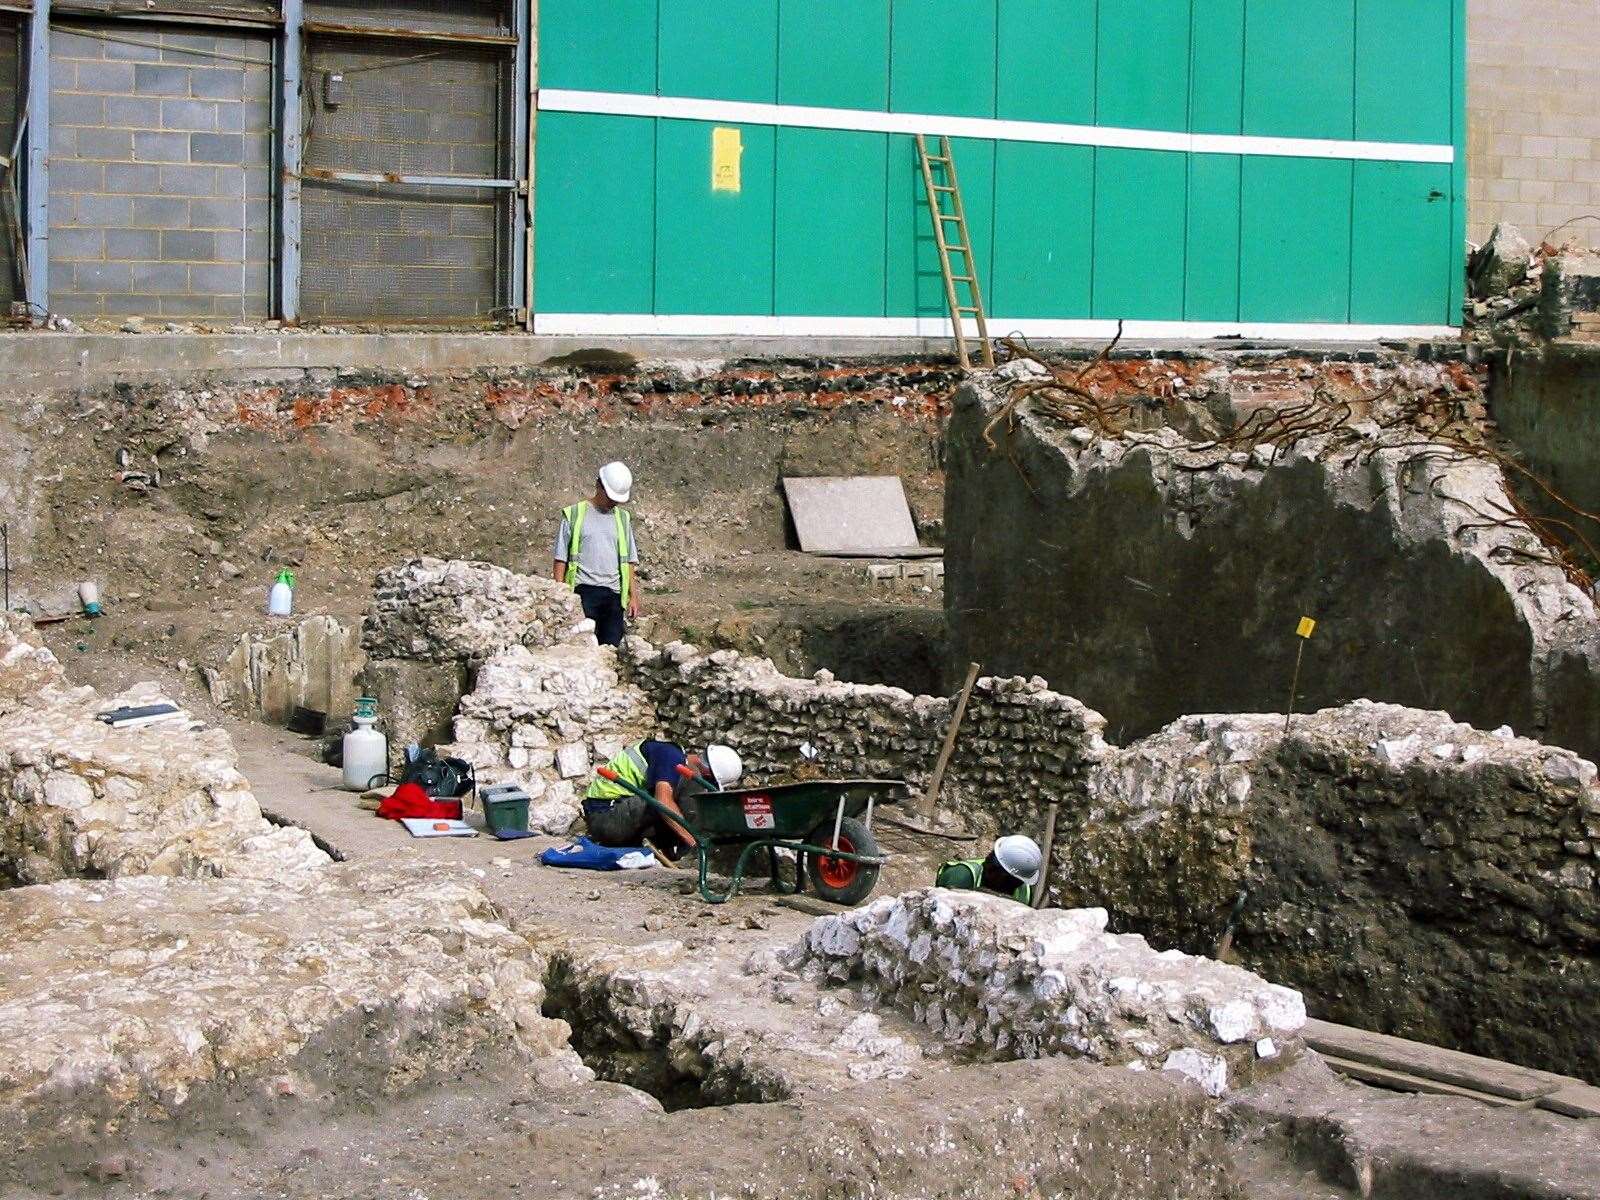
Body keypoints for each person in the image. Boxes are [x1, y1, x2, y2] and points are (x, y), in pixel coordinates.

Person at [584, 739, 743, 852]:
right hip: (607, 817)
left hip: (613, 819)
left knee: (676, 802)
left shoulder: (671, 755)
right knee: (688, 784)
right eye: (710, 781)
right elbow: (663, 801)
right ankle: (695, 848)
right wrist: (694, 842)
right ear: (707, 771)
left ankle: (680, 849)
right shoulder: (671, 755)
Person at [554, 462, 638, 647]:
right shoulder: (575, 514)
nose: (614, 502)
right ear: (599, 485)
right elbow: (561, 558)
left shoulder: (622, 519)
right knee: (581, 648)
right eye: (611, 497)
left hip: (614, 596)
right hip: (583, 592)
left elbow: (629, 560)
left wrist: (633, 596)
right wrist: (559, 595)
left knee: (611, 650)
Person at [935, 834, 1042, 905]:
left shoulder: (1024, 894)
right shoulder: (960, 876)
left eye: (996, 865)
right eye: (993, 855)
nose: (986, 861)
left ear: (1016, 882)